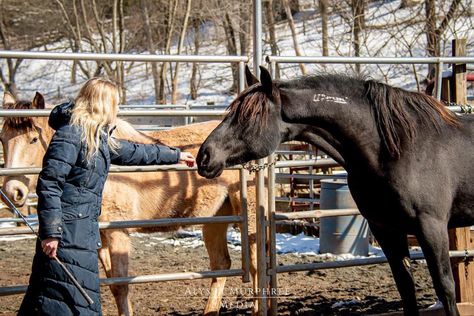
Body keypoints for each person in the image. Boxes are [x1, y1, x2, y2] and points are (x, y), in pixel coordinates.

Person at [18, 77, 195, 315]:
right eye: (115, 103)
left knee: (63, 299)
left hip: (82, 231)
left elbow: (136, 151)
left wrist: (175, 156)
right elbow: (50, 183)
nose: (117, 109)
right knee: (65, 300)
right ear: (102, 104)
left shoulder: (95, 136)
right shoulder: (70, 134)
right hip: (67, 233)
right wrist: (51, 232)